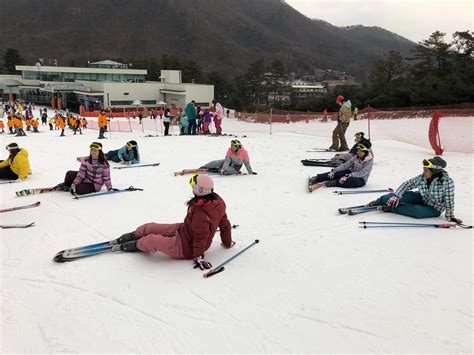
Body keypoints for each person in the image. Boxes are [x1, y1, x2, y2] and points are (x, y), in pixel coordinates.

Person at [114, 174, 234, 271]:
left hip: (186, 247)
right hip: (184, 230)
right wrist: (227, 243)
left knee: (151, 240)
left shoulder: (201, 212)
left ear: (199, 190)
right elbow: (225, 226)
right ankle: (133, 235)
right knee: (150, 227)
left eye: (193, 185)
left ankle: (134, 244)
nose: (191, 187)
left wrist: (198, 256)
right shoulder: (216, 202)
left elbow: (200, 237)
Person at [367, 157, 462, 222]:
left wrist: (450, 216)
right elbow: (407, 184)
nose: (423, 172)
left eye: (426, 170)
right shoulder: (422, 177)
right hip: (422, 198)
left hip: (434, 208)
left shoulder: (447, 182)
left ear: (434, 171)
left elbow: (449, 201)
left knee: (417, 211)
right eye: (423, 169)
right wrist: (396, 196)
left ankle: (390, 208)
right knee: (404, 195)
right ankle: (379, 201)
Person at [309, 142, 373, 192]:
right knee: (338, 173)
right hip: (351, 172)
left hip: (361, 179)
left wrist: (349, 176)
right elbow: (346, 165)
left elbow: (362, 173)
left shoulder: (369, 161)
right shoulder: (356, 157)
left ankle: (332, 183)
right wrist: (335, 170)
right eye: (358, 150)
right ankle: (317, 178)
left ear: (365, 152)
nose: (357, 152)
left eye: (360, 151)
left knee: (351, 181)